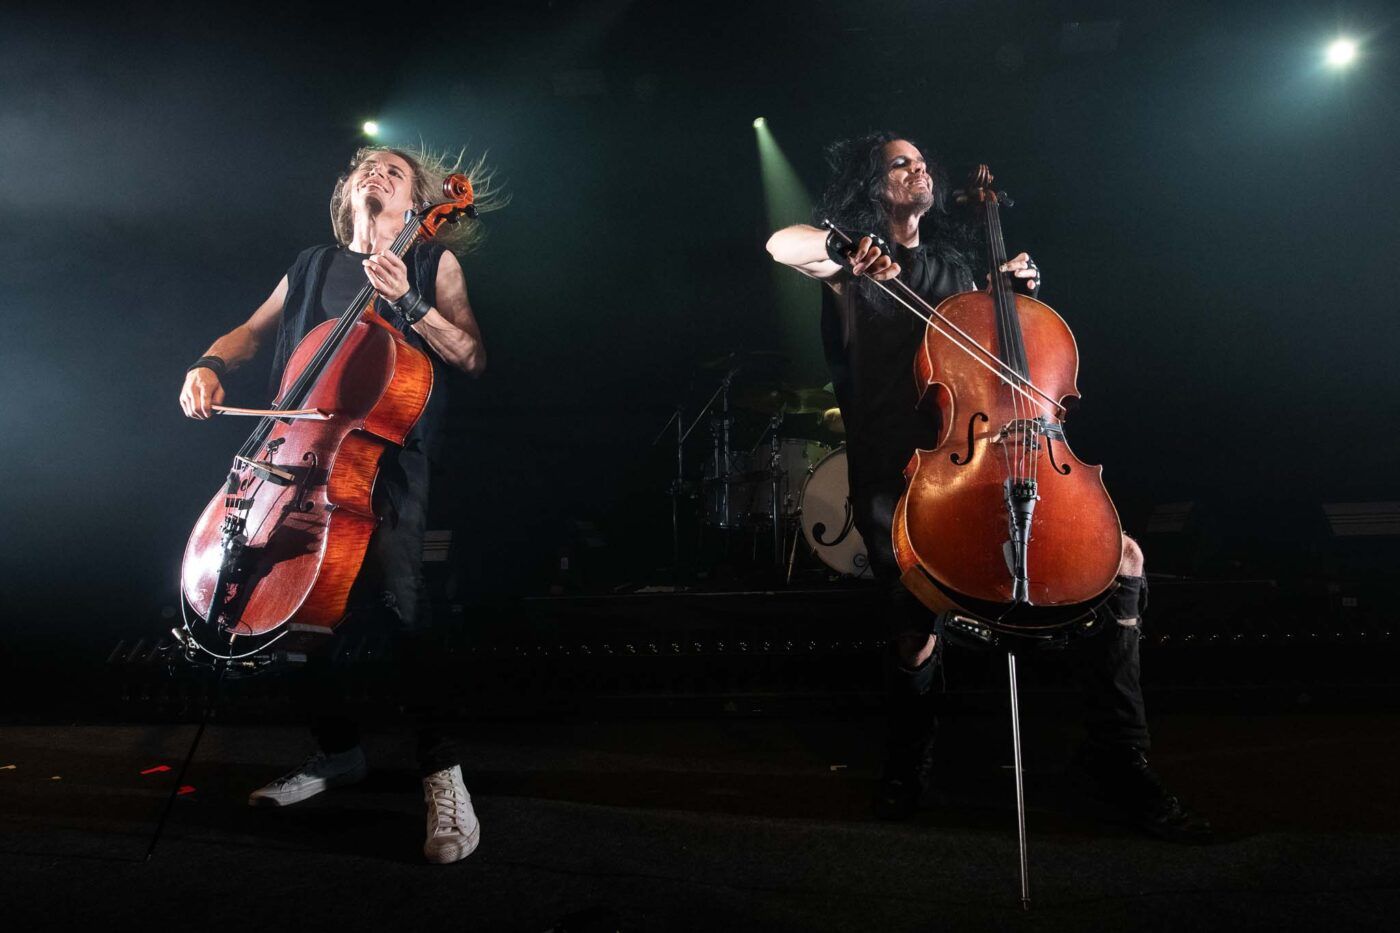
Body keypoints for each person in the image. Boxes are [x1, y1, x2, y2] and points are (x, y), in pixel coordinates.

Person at [766, 132, 1209, 841]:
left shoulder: (956, 268)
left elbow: (1001, 373)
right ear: (872, 186)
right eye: (900, 164)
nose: (919, 170)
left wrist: (1007, 295)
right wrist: (842, 248)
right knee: (914, 625)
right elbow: (783, 245)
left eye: (920, 162)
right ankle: (908, 761)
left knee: (1122, 559)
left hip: (1000, 459)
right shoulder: (852, 261)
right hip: (905, 478)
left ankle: (1119, 754)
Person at [179, 145, 496, 863]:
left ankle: (442, 775)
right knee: (286, 613)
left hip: (387, 464)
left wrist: (411, 303)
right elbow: (252, 333)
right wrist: (208, 363)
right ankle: (336, 752)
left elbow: (471, 355)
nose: (376, 170)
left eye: (394, 167)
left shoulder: (431, 263)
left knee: (400, 610)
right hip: (293, 464)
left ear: (418, 198)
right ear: (345, 188)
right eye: (366, 165)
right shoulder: (313, 265)